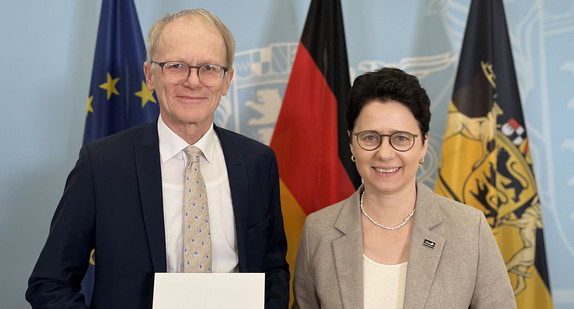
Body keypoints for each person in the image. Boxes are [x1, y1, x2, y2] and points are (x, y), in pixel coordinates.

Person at [26, 9, 289, 309]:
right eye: (176, 66)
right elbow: (50, 284)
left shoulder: (258, 163)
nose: (193, 81)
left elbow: (273, 273)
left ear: (226, 80)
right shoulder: (100, 165)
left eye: (209, 68)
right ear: (150, 75)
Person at [292, 67, 516, 308]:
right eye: (369, 137)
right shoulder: (319, 231)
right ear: (351, 143)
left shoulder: (469, 229)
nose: (385, 154)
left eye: (401, 138)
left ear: (423, 144)